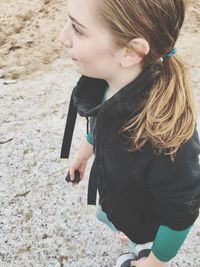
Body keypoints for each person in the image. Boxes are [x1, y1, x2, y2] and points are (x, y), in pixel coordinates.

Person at [59, 0, 200, 266]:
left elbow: (181, 212)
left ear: (131, 52)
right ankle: (128, 234)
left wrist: (156, 262)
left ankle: (142, 249)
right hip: (117, 196)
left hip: (146, 218)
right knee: (109, 216)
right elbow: (103, 118)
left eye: (77, 29)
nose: (62, 37)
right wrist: (86, 149)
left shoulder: (168, 139)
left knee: (140, 237)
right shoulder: (107, 82)